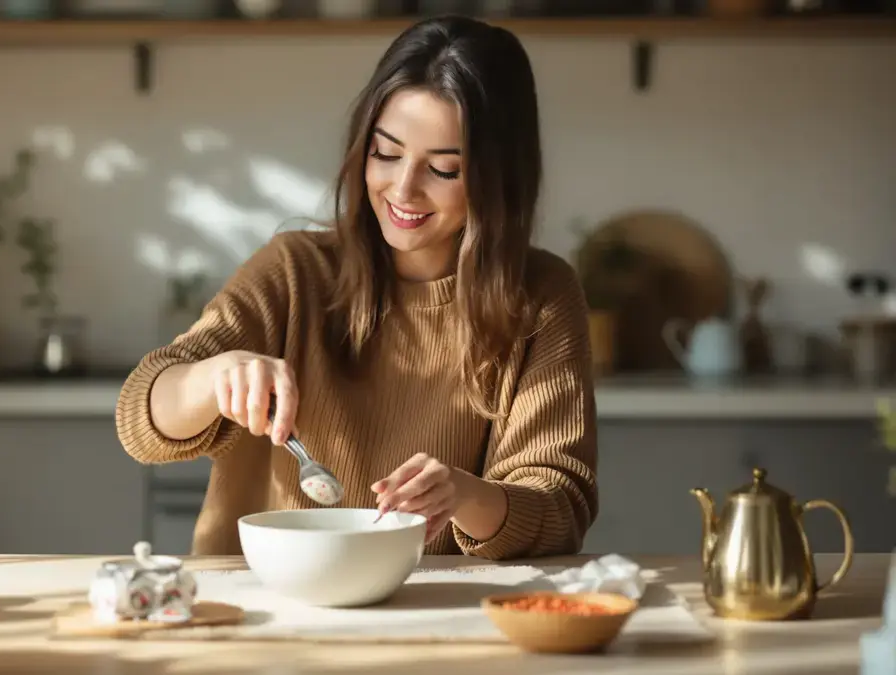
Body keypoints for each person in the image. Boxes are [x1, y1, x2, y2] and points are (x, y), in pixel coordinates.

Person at [116, 15, 598, 560]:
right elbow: (141, 417)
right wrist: (212, 377)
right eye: (386, 153)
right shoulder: (295, 270)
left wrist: (465, 495)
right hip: (261, 600)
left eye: (444, 170)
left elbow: (561, 512)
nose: (403, 189)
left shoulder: (541, 295)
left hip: (444, 606)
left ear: (500, 177)